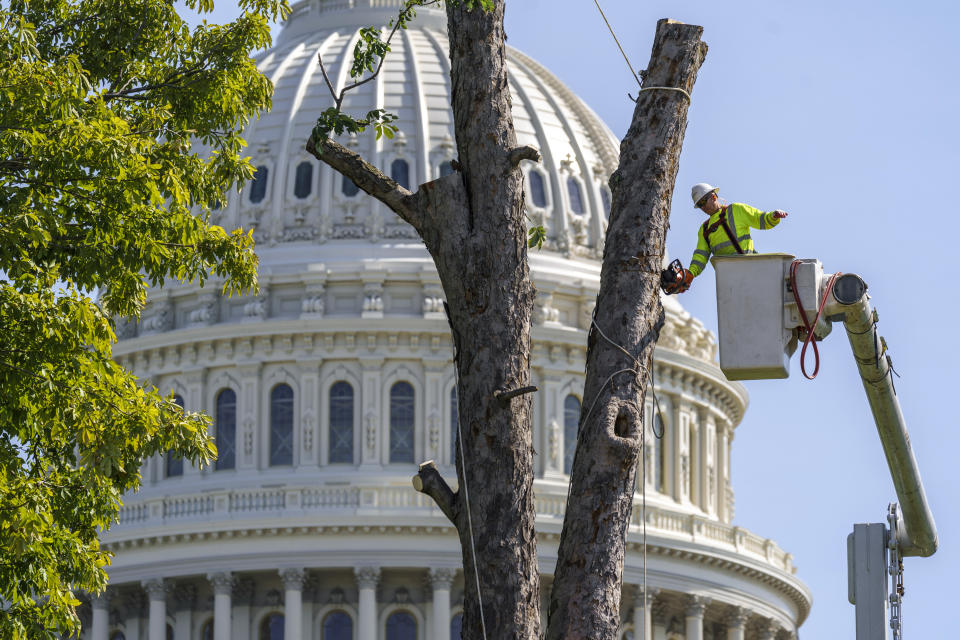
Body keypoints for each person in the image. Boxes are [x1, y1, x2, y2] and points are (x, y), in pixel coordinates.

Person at [669, 183, 789, 293]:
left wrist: (774, 216)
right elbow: (701, 255)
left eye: (703, 201)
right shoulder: (705, 229)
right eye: (699, 205)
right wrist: (690, 273)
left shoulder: (736, 210)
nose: (703, 207)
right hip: (729, 278)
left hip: (751, 267)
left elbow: (760, 219)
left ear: (714, 197)